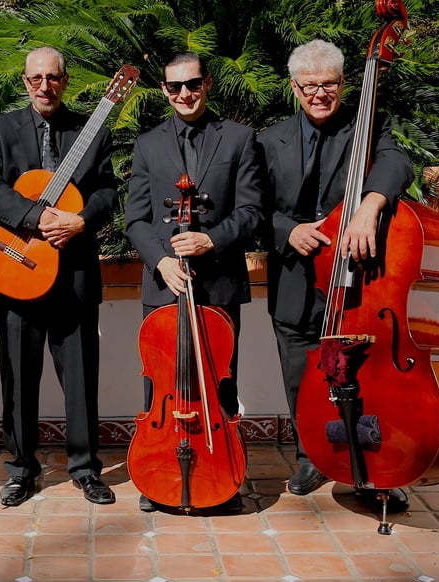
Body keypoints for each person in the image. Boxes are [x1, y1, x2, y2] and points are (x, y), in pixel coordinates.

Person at [256, 39, 413, 510]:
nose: (319, 94)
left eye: (328, 84)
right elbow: (253, 207)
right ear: (294, 88)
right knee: (300, 372)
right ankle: (312, 457)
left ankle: (375, 466)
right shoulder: (269, 140)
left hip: (358, 277)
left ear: (344, 84)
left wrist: (370, 204)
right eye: (309, 86)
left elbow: (397, 163)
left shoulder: (369, 127)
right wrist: (288, 230)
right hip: (296, 275)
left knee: (367, 373)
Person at [0, 46, 119, 507]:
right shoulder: (1, 128)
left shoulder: (92, 131)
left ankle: (85, 468)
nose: (44, 85)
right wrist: (36, 216)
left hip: (74, 271)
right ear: (25, 81)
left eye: (53, 77)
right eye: (36, 78)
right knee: (18, 376)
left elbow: (108, 190)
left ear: (65, 80)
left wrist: (80, 220)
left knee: (80, 376)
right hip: (19, 267)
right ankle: (21, 468)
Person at [125, 51, 264, 513]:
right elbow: (136, 219)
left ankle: (222, 478)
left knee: (220, 388)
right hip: (165, 286)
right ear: (164, 90)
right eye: (174, 86)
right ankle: (157, 477)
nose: (184, 94)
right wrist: (161, 261)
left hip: (219, 283)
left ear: (207, 84)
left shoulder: (240, 138)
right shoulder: (148, 144)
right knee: (160, 388)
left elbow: (252, 211)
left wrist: (211, 239)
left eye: (192, 84)